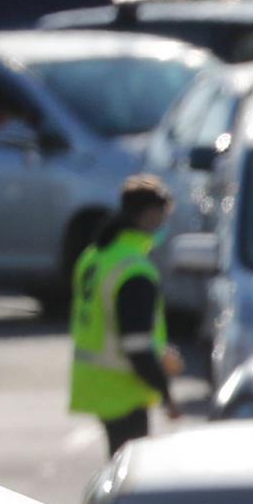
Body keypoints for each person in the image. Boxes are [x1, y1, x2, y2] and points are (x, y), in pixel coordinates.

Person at [69, 175, 182, 455]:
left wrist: (159, 352)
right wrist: (165, 391)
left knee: (117, 466)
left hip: (97, 382)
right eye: (163, 217)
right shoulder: (134, 270)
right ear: (151, 215)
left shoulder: (95, 256)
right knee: (130, 476)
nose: (163, 226)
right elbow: (136, 343)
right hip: (124, 386)